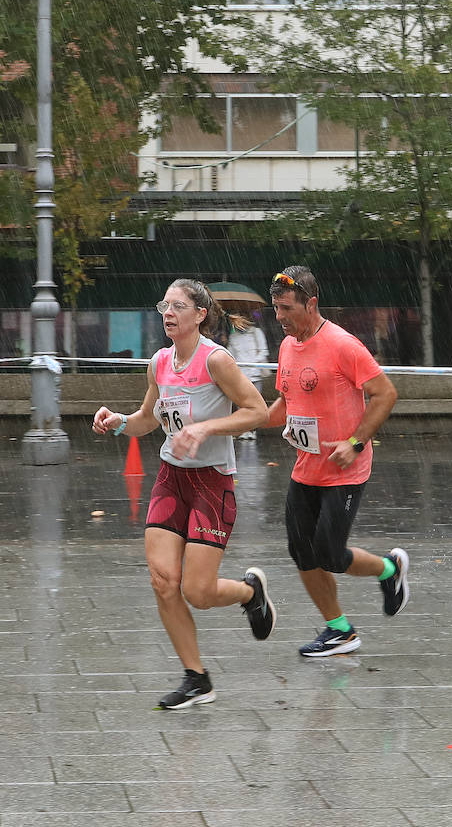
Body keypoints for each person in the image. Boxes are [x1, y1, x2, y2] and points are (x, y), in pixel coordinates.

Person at [91, 278, 274, 709]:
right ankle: (197, 677)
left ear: (200, 315)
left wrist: (206, 427)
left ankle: (250, 592)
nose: (168, 313)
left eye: (177, 306)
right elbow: (147, 419)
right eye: (163, 306)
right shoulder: (158, 363)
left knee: (198, 591)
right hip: (172, 479)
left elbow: (258, 411)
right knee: (162, 581)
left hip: (212, 482)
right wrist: (117, 420)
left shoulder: (218, 361)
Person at [265, 265, 408, 657]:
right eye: (275, 309)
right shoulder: (286, 346)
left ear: (311, 303)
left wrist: (356, 442)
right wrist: (241, 418)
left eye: (286, 309)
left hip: (345, 470)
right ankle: (339, 630)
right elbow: (285, 402)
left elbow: (386, 394)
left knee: (329, 553)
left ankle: (390, 569)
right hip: (305, 468)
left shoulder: (344, 345)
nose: (279, 318)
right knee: (300, 550)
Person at [226, 308, 269, 439]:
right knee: (241, 404)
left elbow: (263, 351)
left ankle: (252, 431)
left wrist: (252, 363)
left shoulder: (257, 333)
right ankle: (243, 430)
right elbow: (230, 355)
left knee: (254, 404)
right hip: (240, 376)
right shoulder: (233, 337)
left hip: (255, 374)